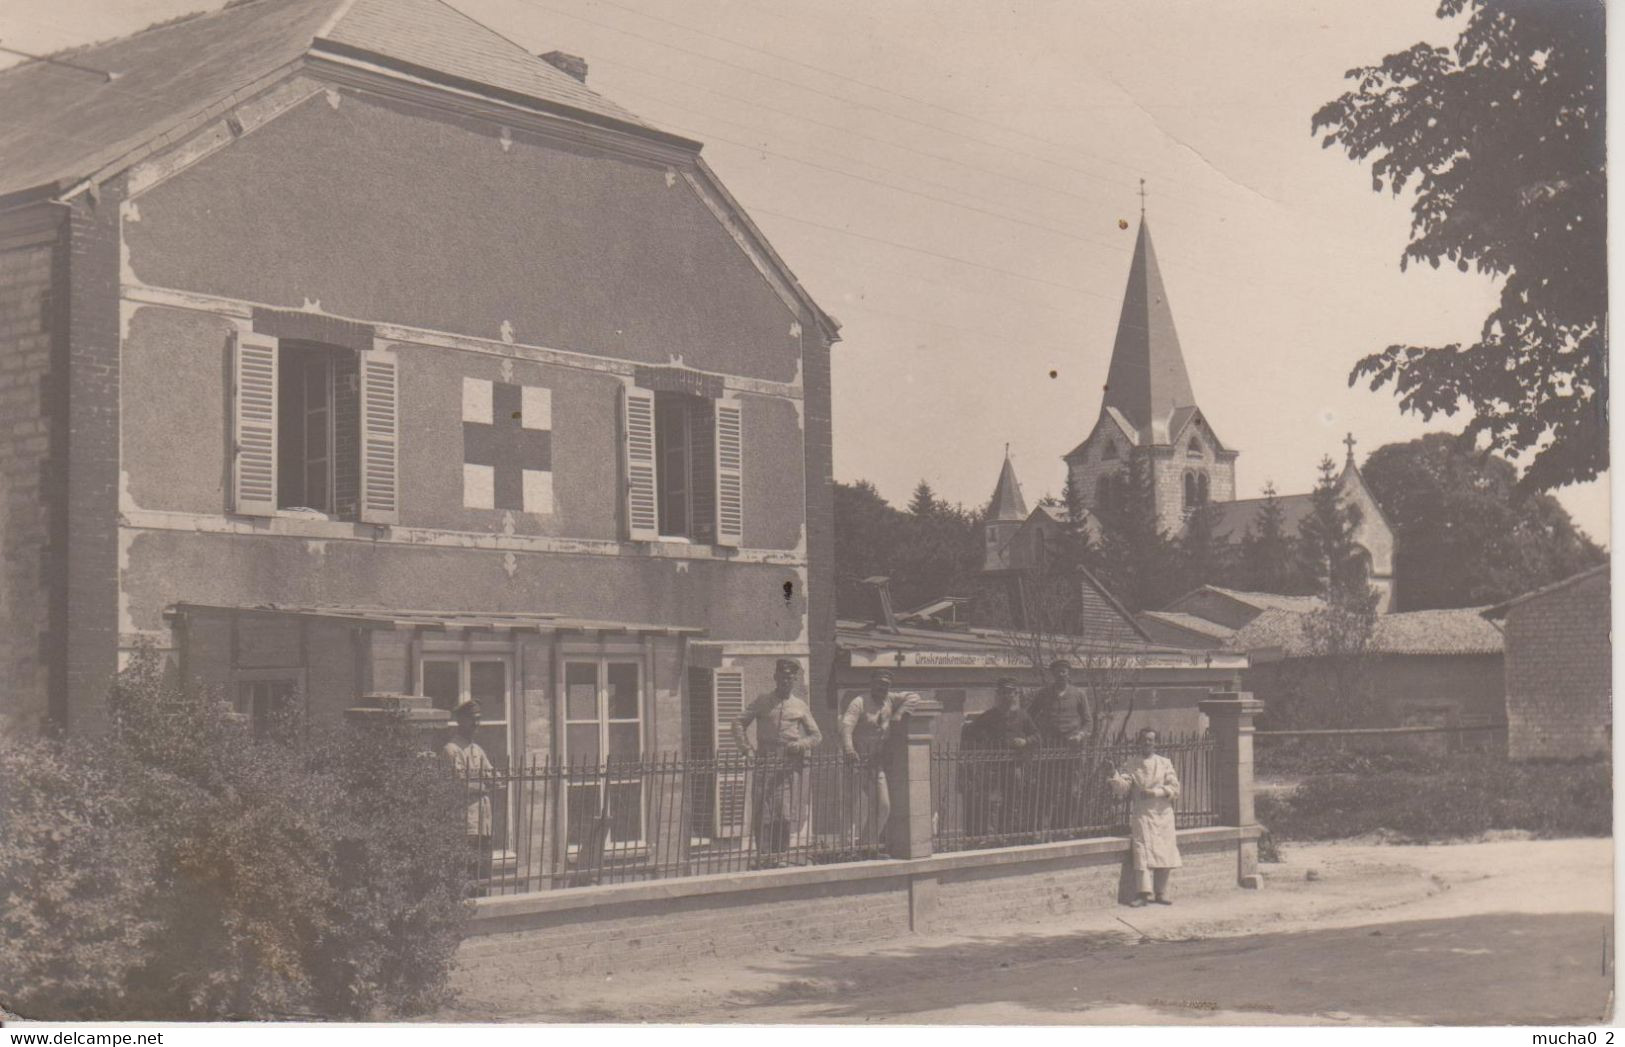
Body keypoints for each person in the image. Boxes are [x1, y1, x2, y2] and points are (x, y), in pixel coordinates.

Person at [733, 659, 823, 865]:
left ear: (795, 680)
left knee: (784, 812)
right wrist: (746, 749)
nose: (786, 682)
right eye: (782, 677)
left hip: (789, 764)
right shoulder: (762, 701)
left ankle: (780, 856)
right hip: (765, 759)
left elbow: (817, 736)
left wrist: (800, 745)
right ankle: (763, 856)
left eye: (790, 678)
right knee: (762, 810)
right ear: (775, 677)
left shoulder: (800, 706)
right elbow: (738, 722)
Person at [838, 669, 917, 849]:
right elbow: (846, 727)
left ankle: (867, 845)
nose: (882, 687)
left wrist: (899, 713)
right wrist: (849, 749)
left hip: (876, 762)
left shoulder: (890, 699)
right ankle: (844, 848)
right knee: (850, 805)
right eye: (879, 683)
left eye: (886, 684)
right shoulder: (859, 702)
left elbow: (913, 696)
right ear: (871, 683)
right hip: (856, 760)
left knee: (883, 806)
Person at [958, 677, 1041, 838]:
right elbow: (971, 734)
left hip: (1014, 765)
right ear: (998, 695)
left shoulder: (1023, 716)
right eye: (1003, 693)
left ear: (1015, 695)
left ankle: (1007, 834)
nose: (1007, 696)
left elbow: (1037, 736)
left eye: (1010, 693)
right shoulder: (989, 716)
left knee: (1012, 800)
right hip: (993, 767)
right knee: (992, 802)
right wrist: (985, 746)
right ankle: (991, 835)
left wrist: (1025, 741)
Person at [1111, 727, 1182, 906]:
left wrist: (1156, 792)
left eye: (1151, 740)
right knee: (1141, 851)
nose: (1147, 743)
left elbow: (1175, 788)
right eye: (1144, 739)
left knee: (1164, 851)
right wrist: (1113, 775)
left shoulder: (1164, 763)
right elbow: (1123, 788)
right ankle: (1144, 894)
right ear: (1139, 742)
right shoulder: (1132, 763)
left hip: (1163, 814)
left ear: (1155, 743)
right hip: (1142, 814)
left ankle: (1161, 892)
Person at [1025, 659, 1096, 832]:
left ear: (1069, 673)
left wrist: (1080, 735)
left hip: (1072, 750)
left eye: (1064, 671)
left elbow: (1088, 722)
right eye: (1057, 672)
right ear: (1053, 674)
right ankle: (1043, 831)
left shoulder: (1079, 694)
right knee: (1047, 790)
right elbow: (1029, 717)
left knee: (1071, 791)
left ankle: (1066, 830)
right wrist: (1035, 737)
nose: (1061, 675)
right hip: (1050, 749)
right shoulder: (1044, 694)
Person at [443, 699, 496, 894]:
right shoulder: (452, 750)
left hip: (484, 822)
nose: (476, 724)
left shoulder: (477, 750)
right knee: (466, 874)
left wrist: (483, 783)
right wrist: (483, 785)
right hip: (465, 822)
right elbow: (460, 784)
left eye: (479, 719)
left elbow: (494, 777)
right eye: (472, 720)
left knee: (482, 875)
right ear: (461, 721)